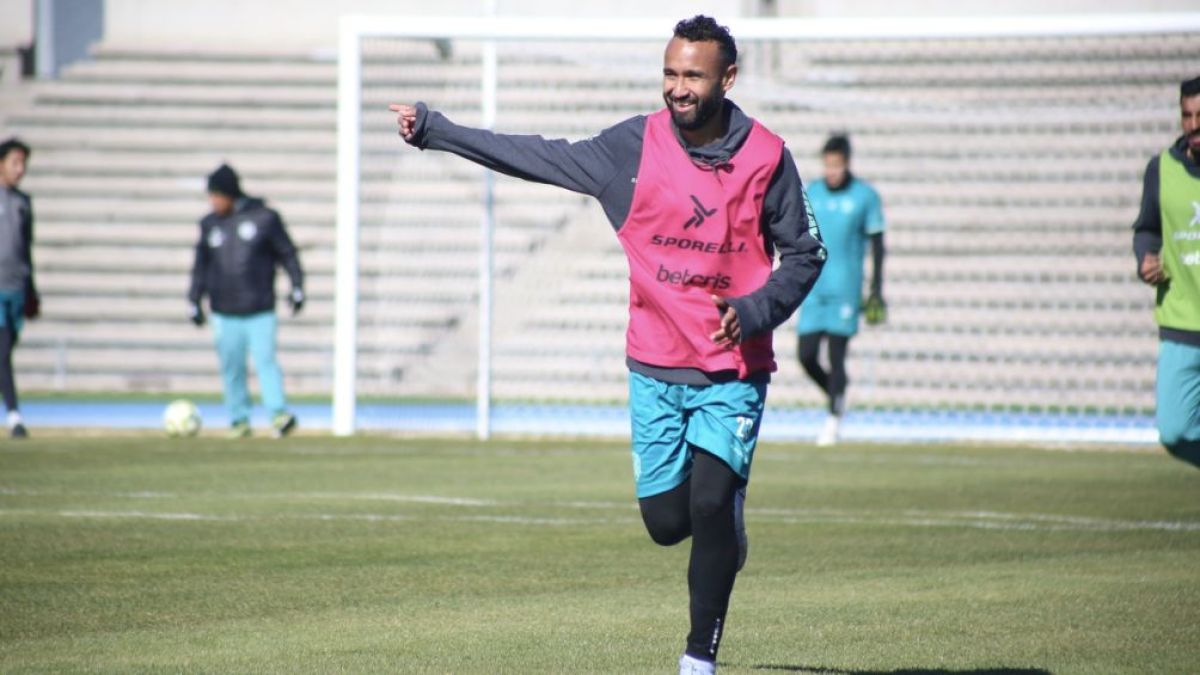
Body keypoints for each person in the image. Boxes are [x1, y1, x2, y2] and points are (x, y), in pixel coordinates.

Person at [390, 16, 825, 674]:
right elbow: (536, 154)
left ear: (728, 78)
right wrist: (435, 129)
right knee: (665, 521)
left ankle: (698, 658)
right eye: (670, 73)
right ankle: (724, 530)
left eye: (693, 76)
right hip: (652, 367)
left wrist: (754, 309)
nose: (678, 88)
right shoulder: (631, 149)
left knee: (710, 501)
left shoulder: (767, 156)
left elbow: (805, 253)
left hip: (733, 369)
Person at [188, 164, 304, 439]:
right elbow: (200, 267)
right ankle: (239, 420)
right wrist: (193, 299)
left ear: (229, 193)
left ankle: (278, 415)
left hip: (259, 307)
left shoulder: (265, 218)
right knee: (232, 366)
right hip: (224, 311)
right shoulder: (209, 224)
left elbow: (287, 254)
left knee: (266, 361)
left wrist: (297, 286)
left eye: (216, 195)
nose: (213, 201)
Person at [795, 134, 885, 447]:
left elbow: (878, 244)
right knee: (805, 355)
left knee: (836, 356)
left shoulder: (865, 196)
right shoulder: (813, 192)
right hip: (813, 288)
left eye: (838, 165)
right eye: (828, 164)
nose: (832, 170)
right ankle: (837, 395)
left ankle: (833, 420)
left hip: (845, 288)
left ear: (847, 163)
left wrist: (875, 289)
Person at [1132, 75, 1200, 468]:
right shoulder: (1162, 169)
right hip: (1182, 325)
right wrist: (1145, 259)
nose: (1193, 125)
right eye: (1186, 115)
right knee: (1174, 432)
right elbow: (1147, 228)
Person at [0, 137, 39, 439]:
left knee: (5, 350)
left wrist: (32, 290)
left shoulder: (23, 202)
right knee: (2, 354)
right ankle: (15, 416)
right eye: (15, 162)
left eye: (23, 163)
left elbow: (26, 249)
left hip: (15, 288)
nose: (20, 168)